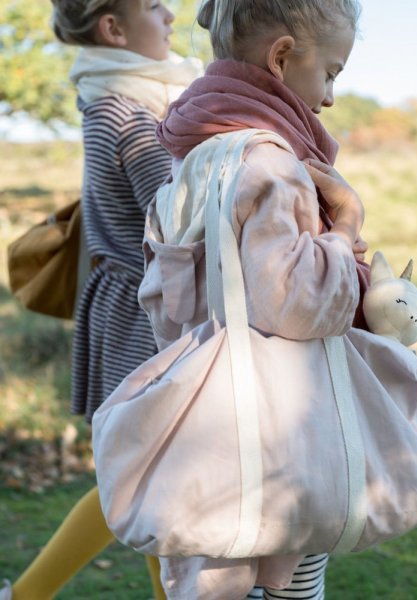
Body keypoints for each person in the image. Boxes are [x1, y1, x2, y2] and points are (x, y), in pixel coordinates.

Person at [139, 0, 367, 597]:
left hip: (208, 420)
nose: (330, 97)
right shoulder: (270, 163)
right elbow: (299, 304)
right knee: (297, 581)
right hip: (285, 427)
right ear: (283, 57)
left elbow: (164, 300)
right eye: (332, 73)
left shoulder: (190, 158)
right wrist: (345, 227)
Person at [0, 1, 202, 599]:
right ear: (113, 28)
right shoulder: (125, 106)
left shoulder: (122, 95)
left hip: (137, 303)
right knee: (139, 477)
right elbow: (173, 210)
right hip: (140, 310)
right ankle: (29, 594)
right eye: (152, 5)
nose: (169, 13)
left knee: (144, 478)